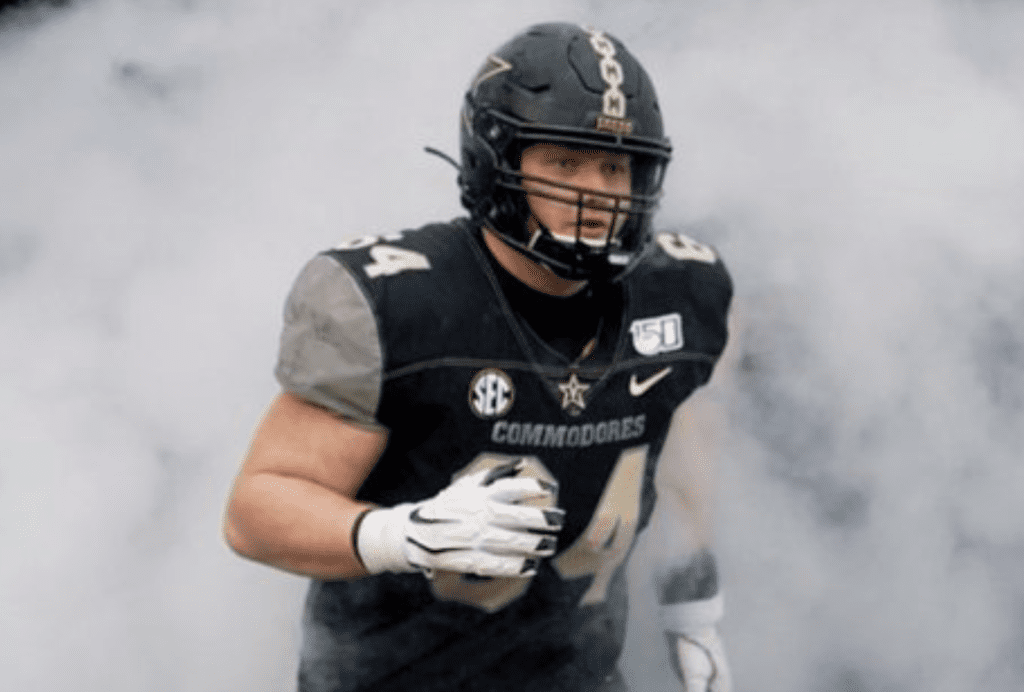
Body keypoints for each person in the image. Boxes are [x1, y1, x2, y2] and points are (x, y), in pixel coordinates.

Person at [224, 22, 734, 692]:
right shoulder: (401, 300)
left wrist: (694, 617)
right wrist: (402, 536)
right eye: (566, 163)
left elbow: (678, 464)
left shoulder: (677, 289)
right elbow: (256, 510)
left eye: (616, 167)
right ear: (498, 161)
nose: (598, 196)